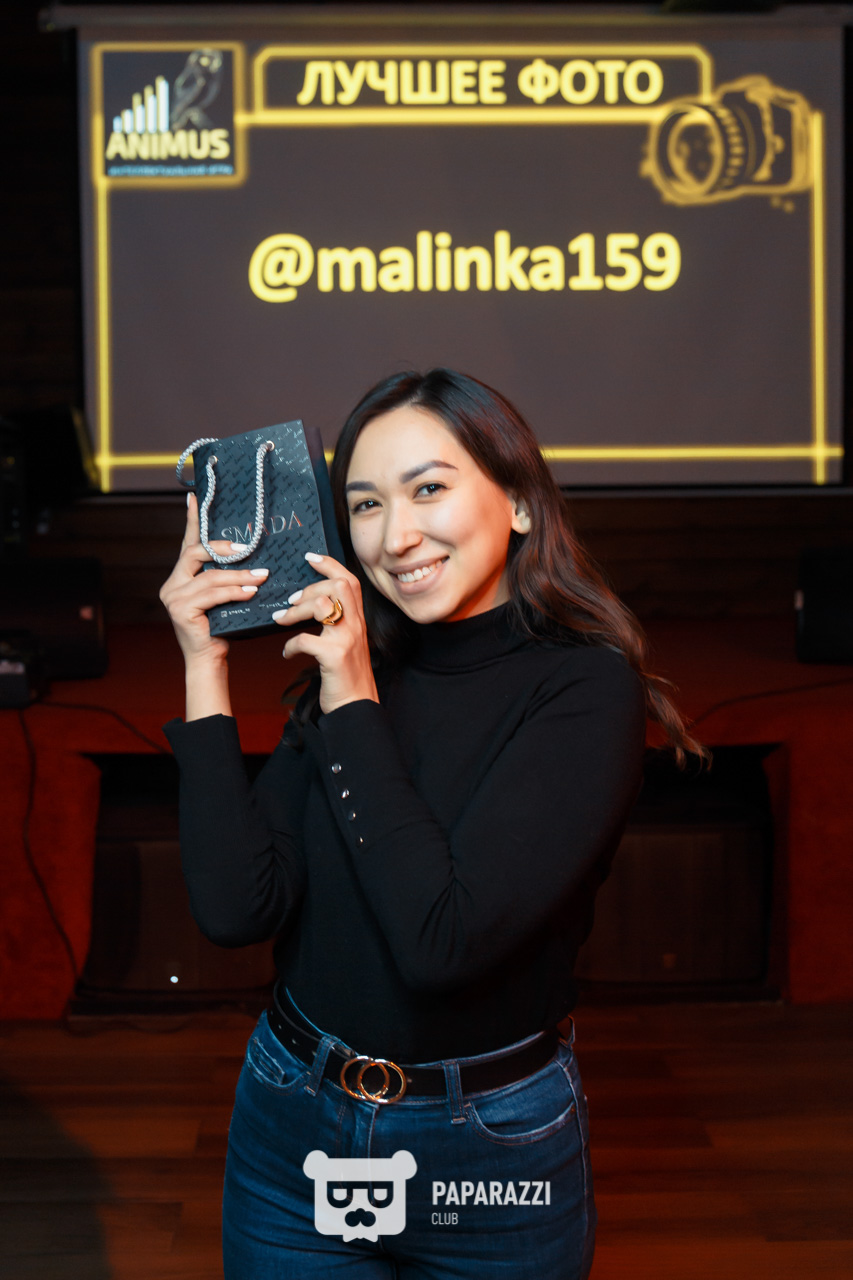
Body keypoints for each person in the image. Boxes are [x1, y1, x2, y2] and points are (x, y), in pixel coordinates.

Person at [159, 368, 708, 1279]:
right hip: (292, 1121)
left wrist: (351, 697)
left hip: (486, 1146)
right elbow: (234, 908)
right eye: (364, 504)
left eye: (427, 490)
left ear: (520, 502)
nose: (394, 536)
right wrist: (203, 666)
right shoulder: (357, 671)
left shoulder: (582, 689)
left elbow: (440, 944)